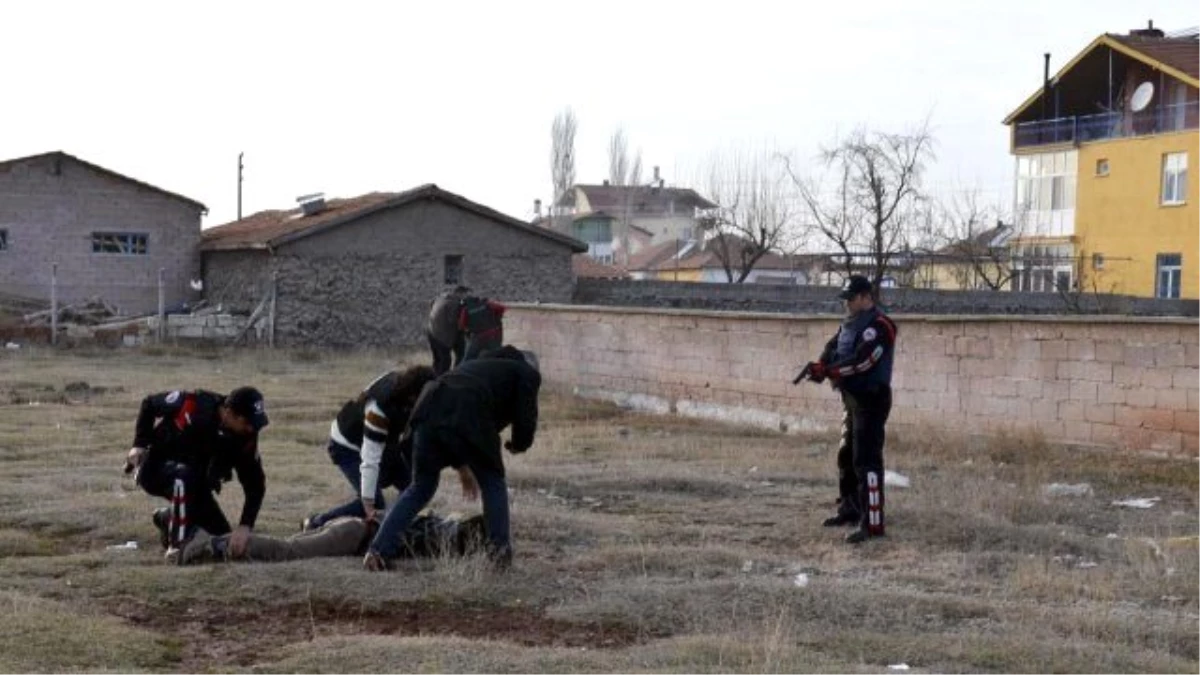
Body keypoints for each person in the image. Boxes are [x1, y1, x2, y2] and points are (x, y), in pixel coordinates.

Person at [363, 345, 541, 571]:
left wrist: (462, 464)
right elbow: (526, 417)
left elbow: (453, 424)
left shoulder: (477, 364)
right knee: (492, 481)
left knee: (420, 488)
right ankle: (499, 554)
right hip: (466, 413)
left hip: (425, 411)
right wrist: (519, 444)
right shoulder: (526, 373)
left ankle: (378, 550)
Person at [797, 275, 897, 544]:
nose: (847, 304)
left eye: (851, 299)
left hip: (871, 399)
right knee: (846, 456)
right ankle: (850, 510)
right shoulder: (849, 325)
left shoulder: (881, 326)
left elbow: (863, 362)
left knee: (867, 462)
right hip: (851, 398)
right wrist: (820, 367)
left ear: (866, 297)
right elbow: (834, 350)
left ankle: (873, 523)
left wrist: (829, 371)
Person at [124, 386, 270, 560]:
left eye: (255, 424)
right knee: (184, 476)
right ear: (229, 413)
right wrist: (139, 444)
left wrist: (245, 526)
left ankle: (169, 519)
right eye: (247, 422)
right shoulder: (194, 404)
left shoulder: (246, 438)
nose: (251, 429)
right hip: (155, 468)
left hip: (195, 486)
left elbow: (255, 484)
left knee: (221, 537)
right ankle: (177, 546)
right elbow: (149, 404)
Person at [301, 365, 441, 531]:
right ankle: (315, 523)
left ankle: (396, 525)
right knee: (373, 503)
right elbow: (370, 458)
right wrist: (368, 503)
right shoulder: (378, 411)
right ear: (413, 396)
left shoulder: (402, 390)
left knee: (412, 486)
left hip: (386, 442)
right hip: (346, 445)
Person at [179, 511, 487, 565]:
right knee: (288, 551)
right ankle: (213, 544)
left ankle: (182, 525)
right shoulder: (437, 537)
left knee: (287, 544)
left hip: (352, 529)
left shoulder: (436, 525)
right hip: (352, 535)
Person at [427, 286, 470, 375]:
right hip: (443, 336)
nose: (467, 297)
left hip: (432, 333)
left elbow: (431, 306)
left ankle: (434, 378)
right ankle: (453, 377)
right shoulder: (455, 303)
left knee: (437, 360)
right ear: (461, 294)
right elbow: (453, 320)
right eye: (466, 295)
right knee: (448, 360)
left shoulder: (440, 298)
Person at [458, 295, 507, 362]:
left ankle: (464, 370)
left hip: (478, 337)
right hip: (493, 335)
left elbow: (461, 326)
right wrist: (497, 317)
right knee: (496, 356)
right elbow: (502, 308)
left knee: (469, 358)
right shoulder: (486, 304)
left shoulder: (466, 309)